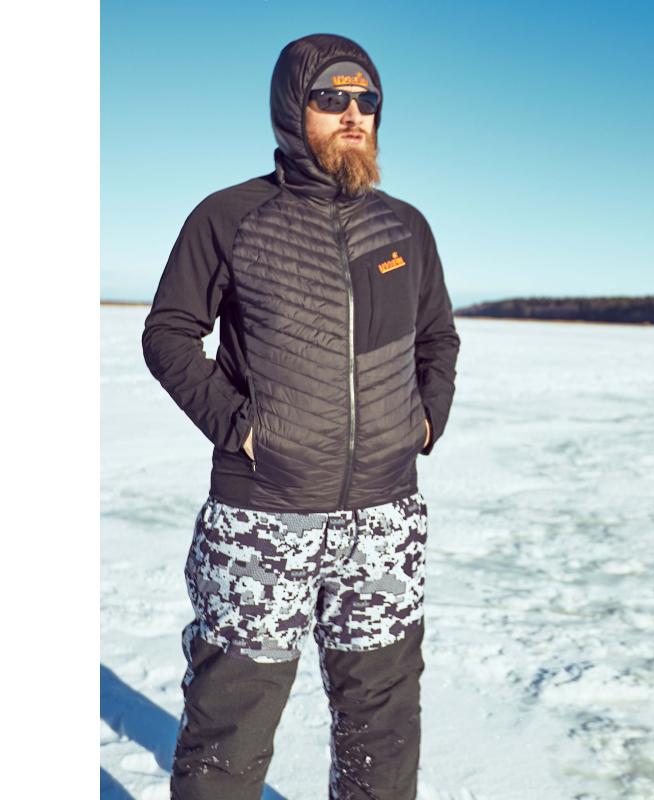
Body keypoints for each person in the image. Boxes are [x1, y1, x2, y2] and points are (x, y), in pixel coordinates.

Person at [141, 32, 460, 800]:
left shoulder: (405, 228)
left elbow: (437, 338)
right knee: (231, 724)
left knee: (383, 726)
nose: (353, 114)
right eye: (330, 98)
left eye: (366, 100)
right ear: (293, 107)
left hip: (384, 521)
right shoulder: (230, 216)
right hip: (263, 518)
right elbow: (170, 333)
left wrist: (423, 422)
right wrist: (240, 428)